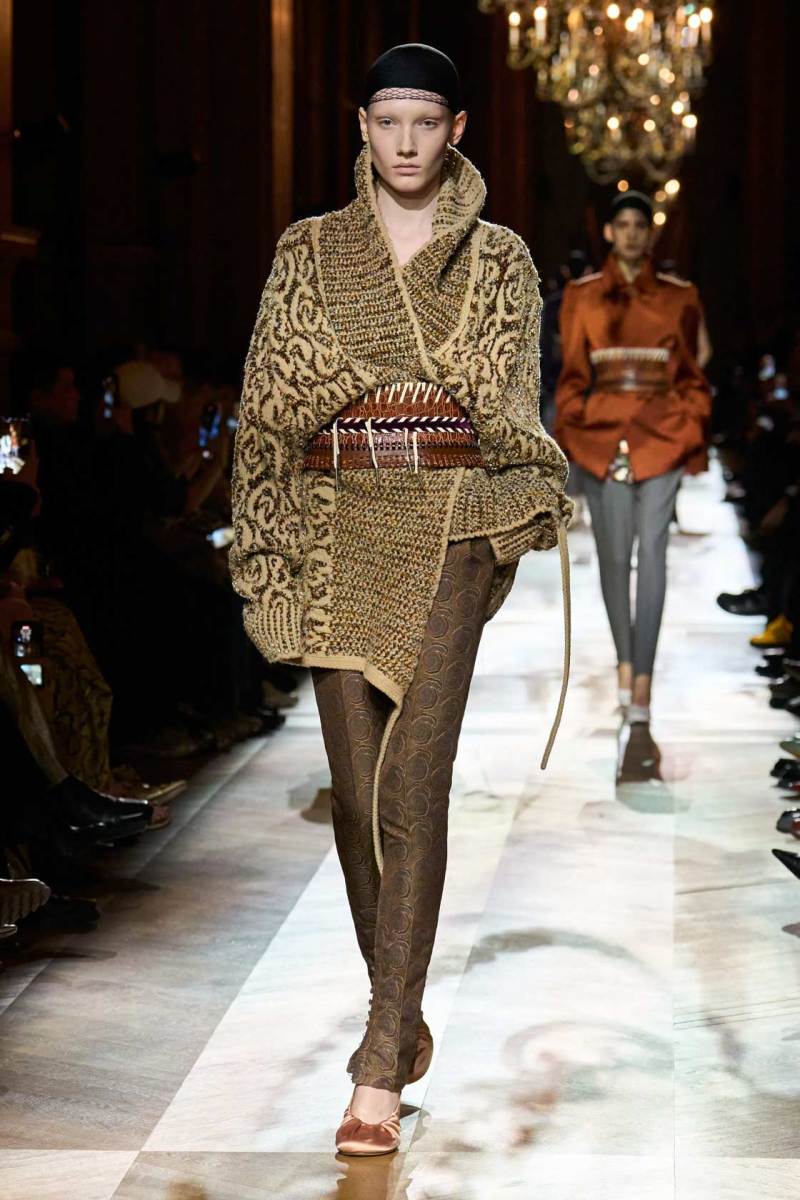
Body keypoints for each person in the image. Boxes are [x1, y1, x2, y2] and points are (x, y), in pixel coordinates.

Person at [230, 43, 572, 1156]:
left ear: (456, 129)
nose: (408, 142)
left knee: (410, 792)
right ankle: (402, 1006)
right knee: (353, 795)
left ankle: (378, 1063)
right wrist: (402, 409)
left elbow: (495, 400)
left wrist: (368, 398)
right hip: (334, 535)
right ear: (363, 129)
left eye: (427, 122)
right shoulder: (309, 250)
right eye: (389, 121)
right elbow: (275, 399)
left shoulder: (502, 260)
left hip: (450, 535)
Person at [555, 190, 711, 723]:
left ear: (650, 234)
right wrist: (575, 422)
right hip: (601, 437)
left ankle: (643, 677)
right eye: (621, 225)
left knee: (655, 558)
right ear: (609, 232)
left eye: (638, 226)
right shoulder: (582, 297)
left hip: (664, 435)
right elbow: (572, 373)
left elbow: (692, 370)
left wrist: (690, 420)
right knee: (615, 559)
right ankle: (625, 663)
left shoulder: (679, 296)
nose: (629, 233)